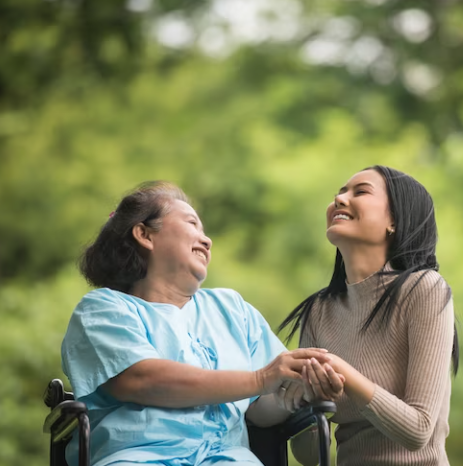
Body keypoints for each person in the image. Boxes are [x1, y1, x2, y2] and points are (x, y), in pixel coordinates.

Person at [61, 181, 331, 466]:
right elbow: (142, 380)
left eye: (205, 231)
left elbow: (262, 411)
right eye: (192, 224)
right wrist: (260, 379)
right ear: (144, 234)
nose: (207, 240)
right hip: (138, 457)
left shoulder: (232, 309)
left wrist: (298, 390)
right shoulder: (103, 309)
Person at [279, 166, 459, 466]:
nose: (339, 198)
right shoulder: (319, 311)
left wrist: (343, 373)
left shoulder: (425, 289)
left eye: (359, 191)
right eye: (339, 192)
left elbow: (418, 431)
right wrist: (306, 400)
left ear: (394, 221)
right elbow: (310, 454)